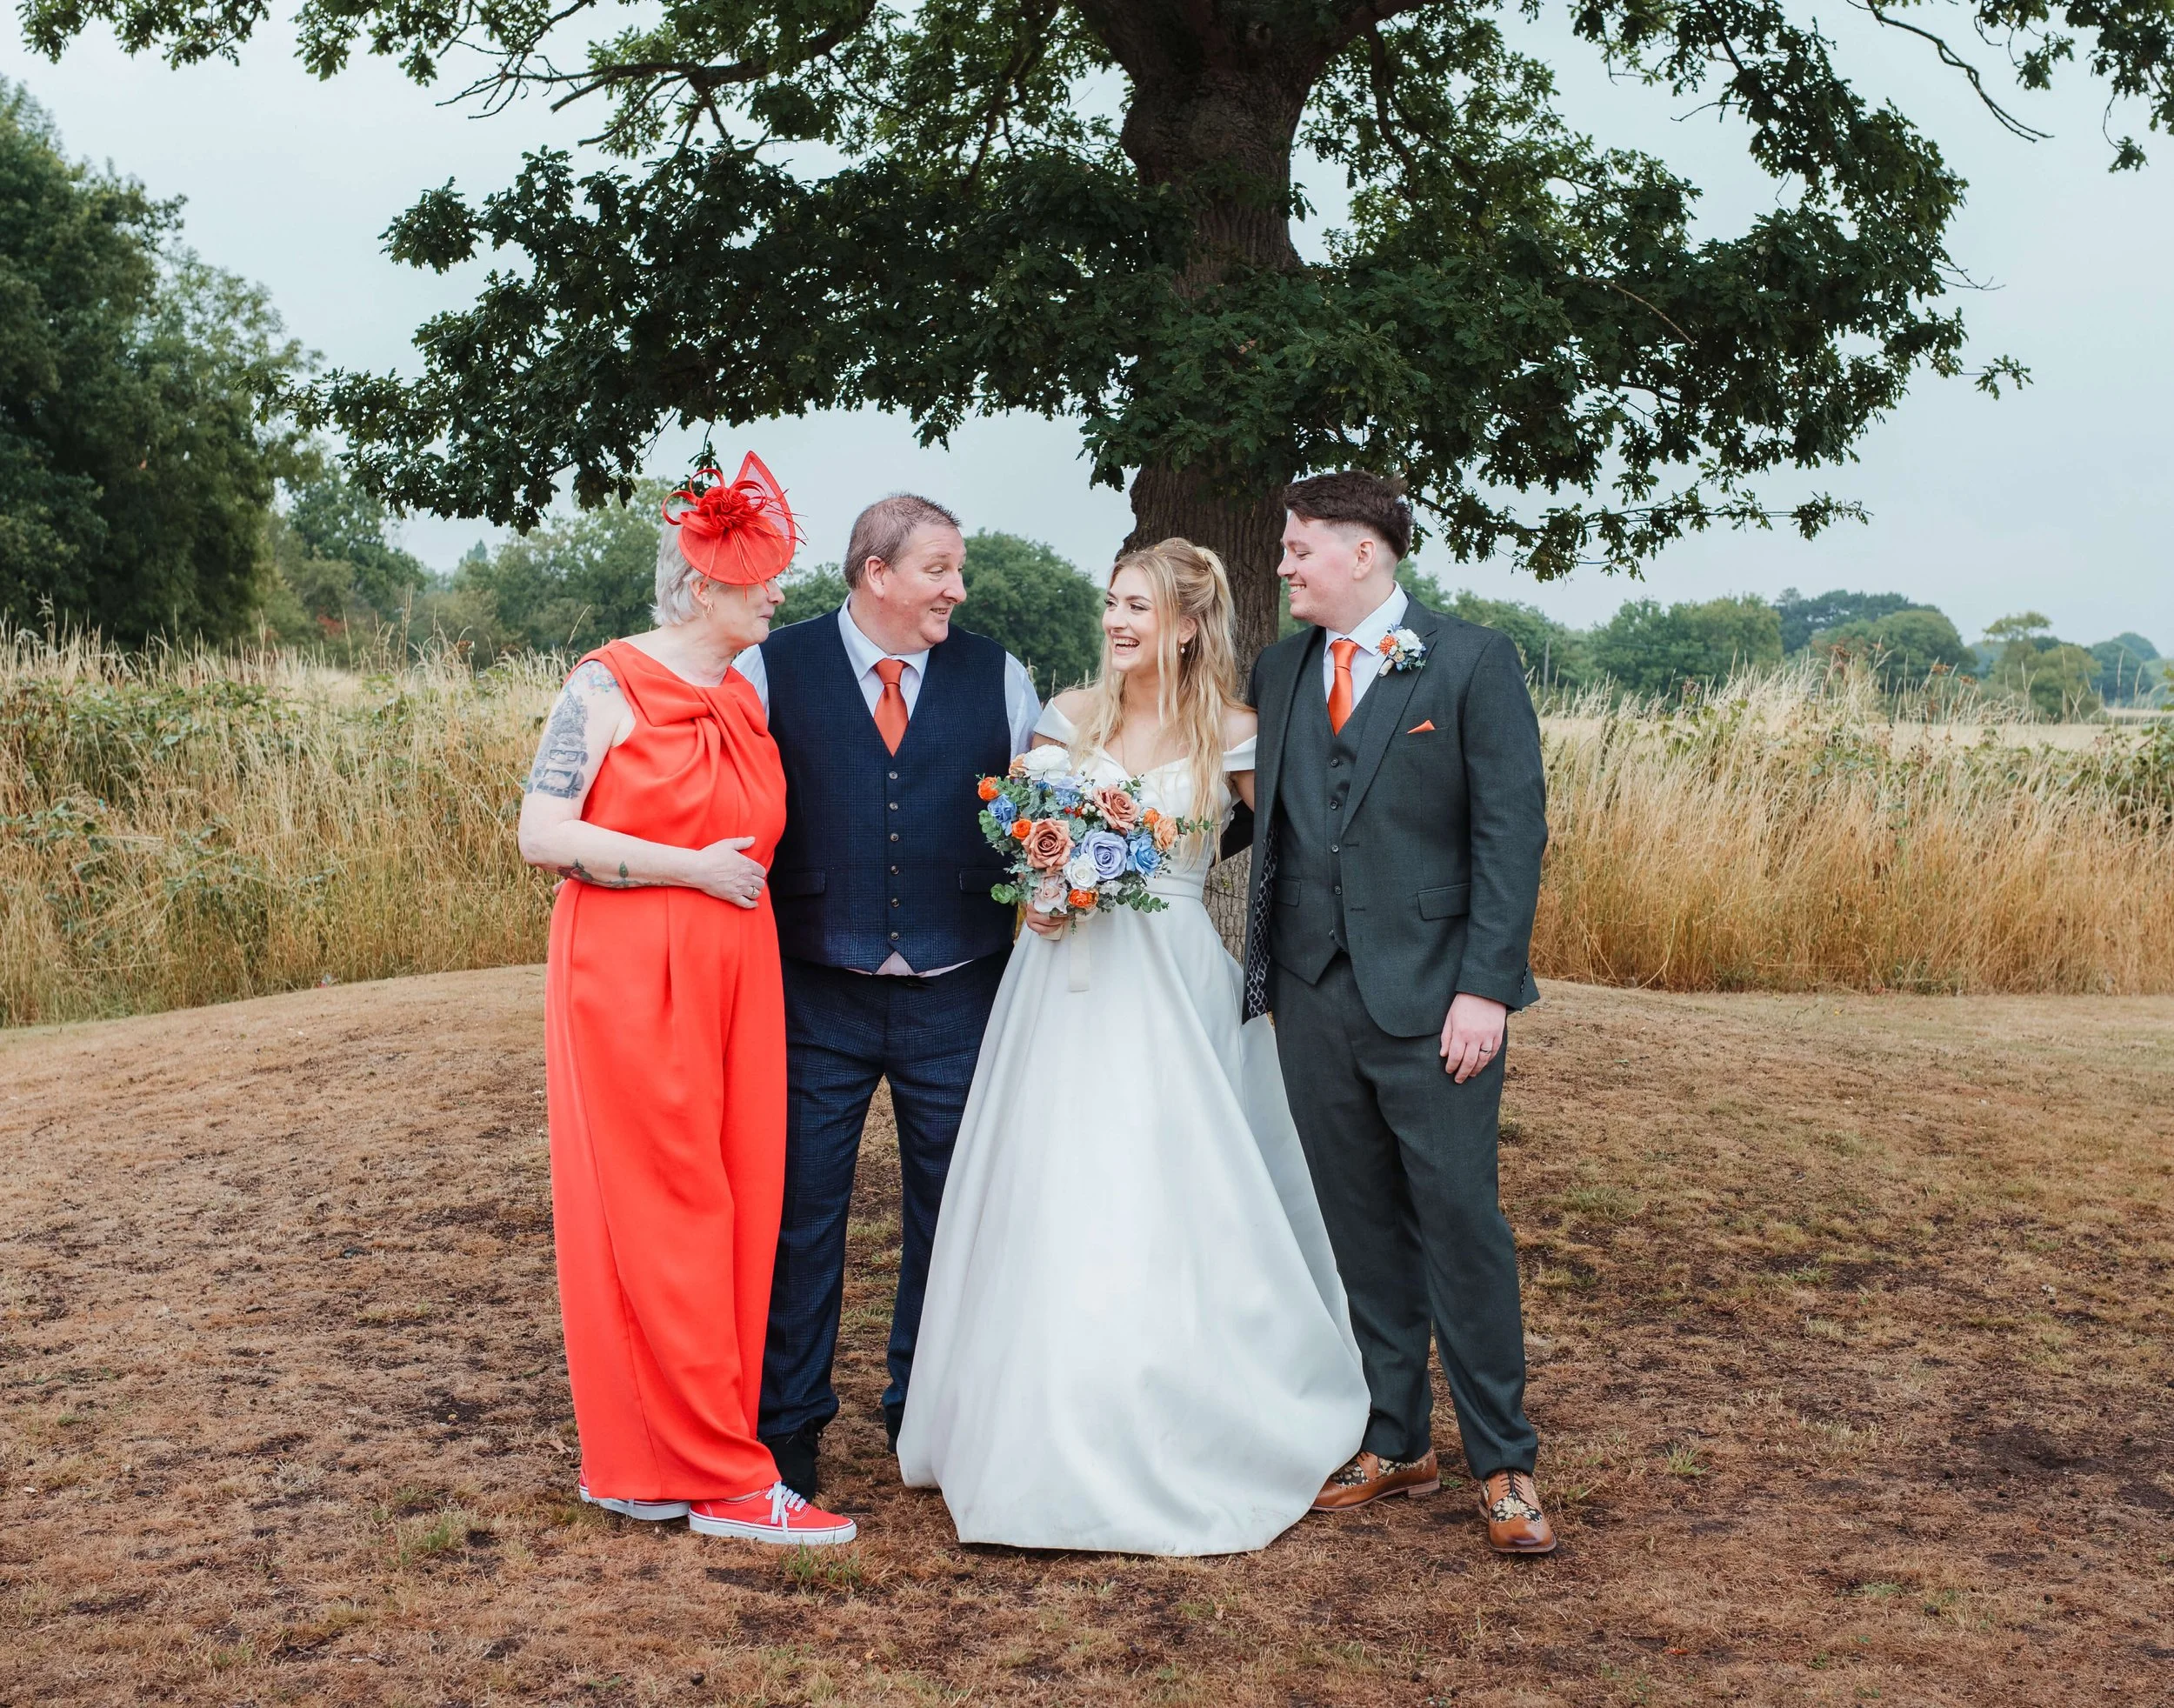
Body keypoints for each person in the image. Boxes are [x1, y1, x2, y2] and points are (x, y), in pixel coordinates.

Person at [896, 537, 1370, 1556]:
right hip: (1058, 990)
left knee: (1169, 1189)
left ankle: (1183, 1403)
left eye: (1140, 609)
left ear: (1189, 625)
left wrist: (1309, 978)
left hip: (1173, 983)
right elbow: (1023, 845)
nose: (1117, 623)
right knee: (1055, 1185)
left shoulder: (1238, 735)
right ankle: (1033, 1423)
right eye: (1111, 603)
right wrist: (1044, 891)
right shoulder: (1067, 719)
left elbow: (1298, 860)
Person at [516, 454, 857, 1546]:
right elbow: (542, 833)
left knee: (739, 1199)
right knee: (666, 1211)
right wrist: (687, 869)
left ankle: (656, 1459)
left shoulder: (744, 691)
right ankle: (722, 1477)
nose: (776, 595)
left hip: (736, 971)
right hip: (632, 969)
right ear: (702, 586)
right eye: (758, 579)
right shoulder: (605, 684)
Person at [1238, 470, 1556, 1555]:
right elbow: (1256, 822)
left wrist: (1485, 987)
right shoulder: (1279, 670)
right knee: (1357, 1221)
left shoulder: (1470, 661)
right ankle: (1396, 1435)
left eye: (1297, 547)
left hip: (1436, 1001)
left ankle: (1503, 1462)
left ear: (1362, 552)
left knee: (1461, 1221)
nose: (1282, 564)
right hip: (1311, 991)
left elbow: (1510, 837)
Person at [731, 495, 1040, 1499]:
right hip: (812, 990)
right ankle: (788, 1431)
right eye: (939, 568)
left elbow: (1039, 822)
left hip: (959, 990)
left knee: (953, 1216)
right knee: (800, 1213)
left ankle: (930, 1413)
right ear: (876, 572)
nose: (958, 587)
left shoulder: (1000, 675)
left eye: (958, 569)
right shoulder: (768, 669)